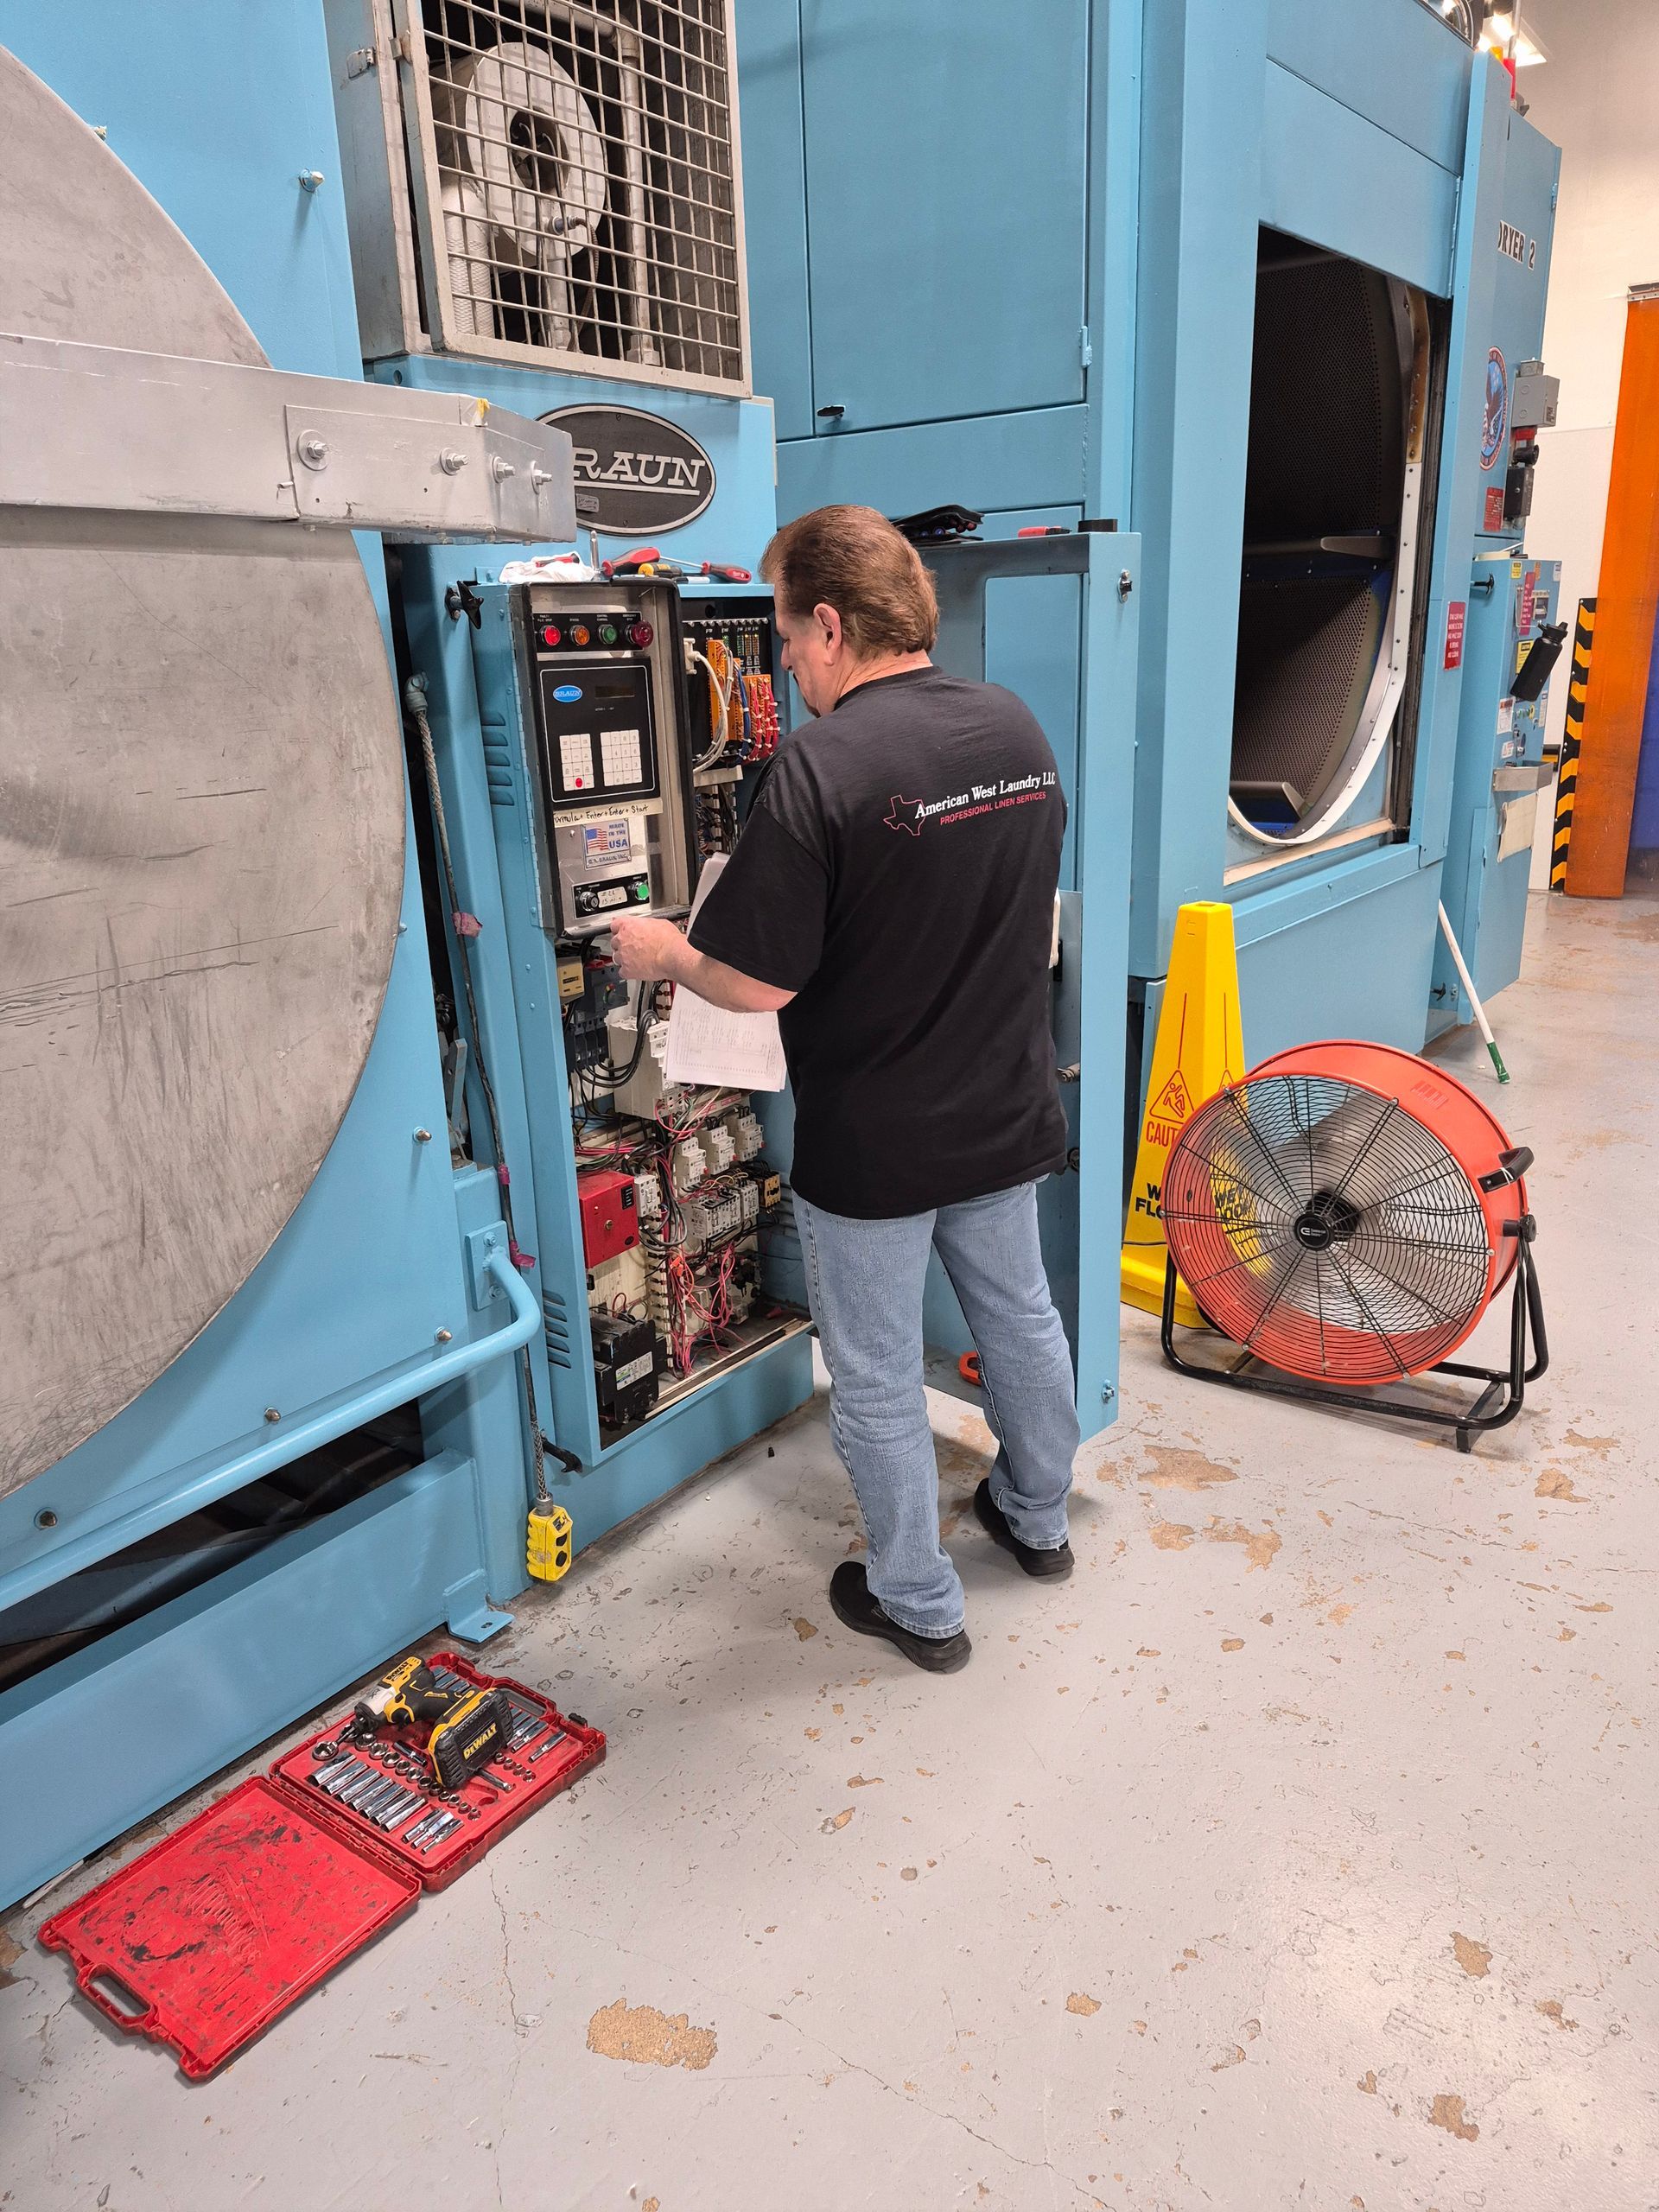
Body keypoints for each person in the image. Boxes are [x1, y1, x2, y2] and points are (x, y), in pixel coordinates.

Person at [609, 504, 1080, 1674]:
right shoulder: (1013, 727)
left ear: (829, 624)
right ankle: (1038, 1517)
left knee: (872, 1371)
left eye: (782, 639)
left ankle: (917, 1599)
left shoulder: (823, 763)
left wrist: (665, 954)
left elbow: (759, 983)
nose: (784, 665)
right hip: (1004, 1103)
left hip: (876, 1140)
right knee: (1020, 1313)